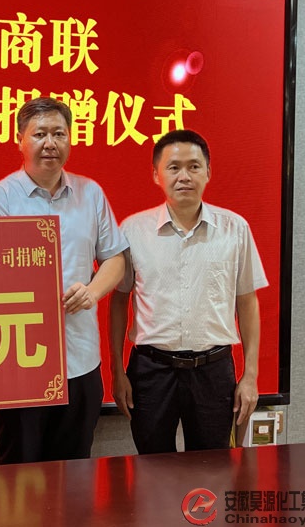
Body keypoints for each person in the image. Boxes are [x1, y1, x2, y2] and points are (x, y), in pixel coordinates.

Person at [0, 97, 127, 463]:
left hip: (80, 358)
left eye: (59, 133)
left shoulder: (90, 193)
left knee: (74, 471)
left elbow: (115, 258)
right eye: (40, 134)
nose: (50, 143)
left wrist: (92, 291)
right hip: (20, 361)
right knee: (21, 473)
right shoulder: (1, 197)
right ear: (20, 139)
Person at [108, 129, 266, 454]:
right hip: (151, 372)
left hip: (213, 370)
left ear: (208, 172)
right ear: (157, 175)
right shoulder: (132, 230)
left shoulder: (235, 229)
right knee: (152, 468)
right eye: (174, 167)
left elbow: (247, 303)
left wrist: (250, 375)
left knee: (212, 469)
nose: (184, 176)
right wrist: (117, 372)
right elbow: (118, 301)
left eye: (194, 166)